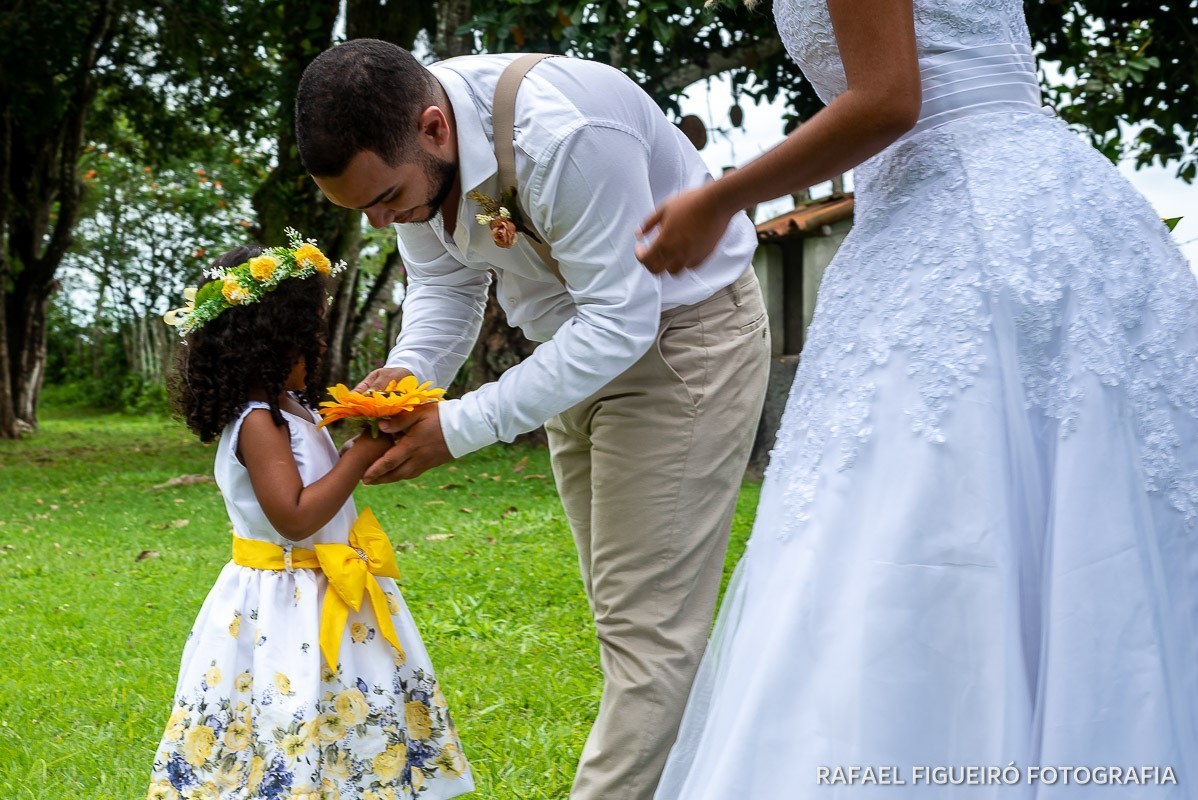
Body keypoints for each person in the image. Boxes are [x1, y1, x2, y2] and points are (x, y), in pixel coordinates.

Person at [639, 0, 1198, 797]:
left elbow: (889, 99)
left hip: (964, 225)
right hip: (1054, 212)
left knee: (932, 515)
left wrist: (723, 196)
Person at [294, 40, 770, 800]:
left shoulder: (562, 136)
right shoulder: (414, 157)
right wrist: (410, 380)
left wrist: (455, 427)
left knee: (648, 634)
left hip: (682, 340)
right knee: (630, 623)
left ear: (433, 129)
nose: (383, 221)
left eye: (386, 199)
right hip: (570, 359)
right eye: (362, 212)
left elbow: (622, 321)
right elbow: (445, 287)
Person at [146, 239, 474, 800]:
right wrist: (360, 454)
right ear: (266, 344)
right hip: (285, 601)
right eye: (306, 337)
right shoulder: (257, 421)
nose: (317, 346)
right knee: (287, 708)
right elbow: (294, 517)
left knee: (347, 703)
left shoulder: (291, 408)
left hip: (330, 589)